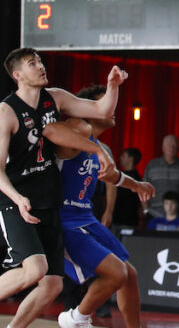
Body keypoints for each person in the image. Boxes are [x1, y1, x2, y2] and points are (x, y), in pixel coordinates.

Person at [0, 48, 122, 328]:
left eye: (40, 61)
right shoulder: (5, 111)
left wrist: (113, 86)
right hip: (15, 197)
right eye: (33, 64)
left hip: (48, 197)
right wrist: (17, 198)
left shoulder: (55, 98)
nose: (41, 66)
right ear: (18, 75)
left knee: (52, 285)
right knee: (35, 269)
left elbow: (102, 110)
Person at [54, 105, 155, 328]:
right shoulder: (76, 127)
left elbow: (114, 177)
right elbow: (50, 130)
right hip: (66, 219)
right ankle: (75, 319)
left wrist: (136, 184)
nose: (113, 109)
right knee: (117, 273)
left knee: (130, 275)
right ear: (90, 107)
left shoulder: (99, 147)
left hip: (86, 216)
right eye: (107, 103)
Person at [142, 135, 179, 219]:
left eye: (174, 146)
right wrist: (145, 209)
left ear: (178, 148)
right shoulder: (151, 165)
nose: (171, 148)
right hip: (154, 214)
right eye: (169, 145)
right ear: (163, 148)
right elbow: (144, 187)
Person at [111, 148, 143, 233]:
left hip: (127, 221)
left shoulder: (134, 179)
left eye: (124, 156)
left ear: (131, 158)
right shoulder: (121, 176)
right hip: (117, 220)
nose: (121, 158)